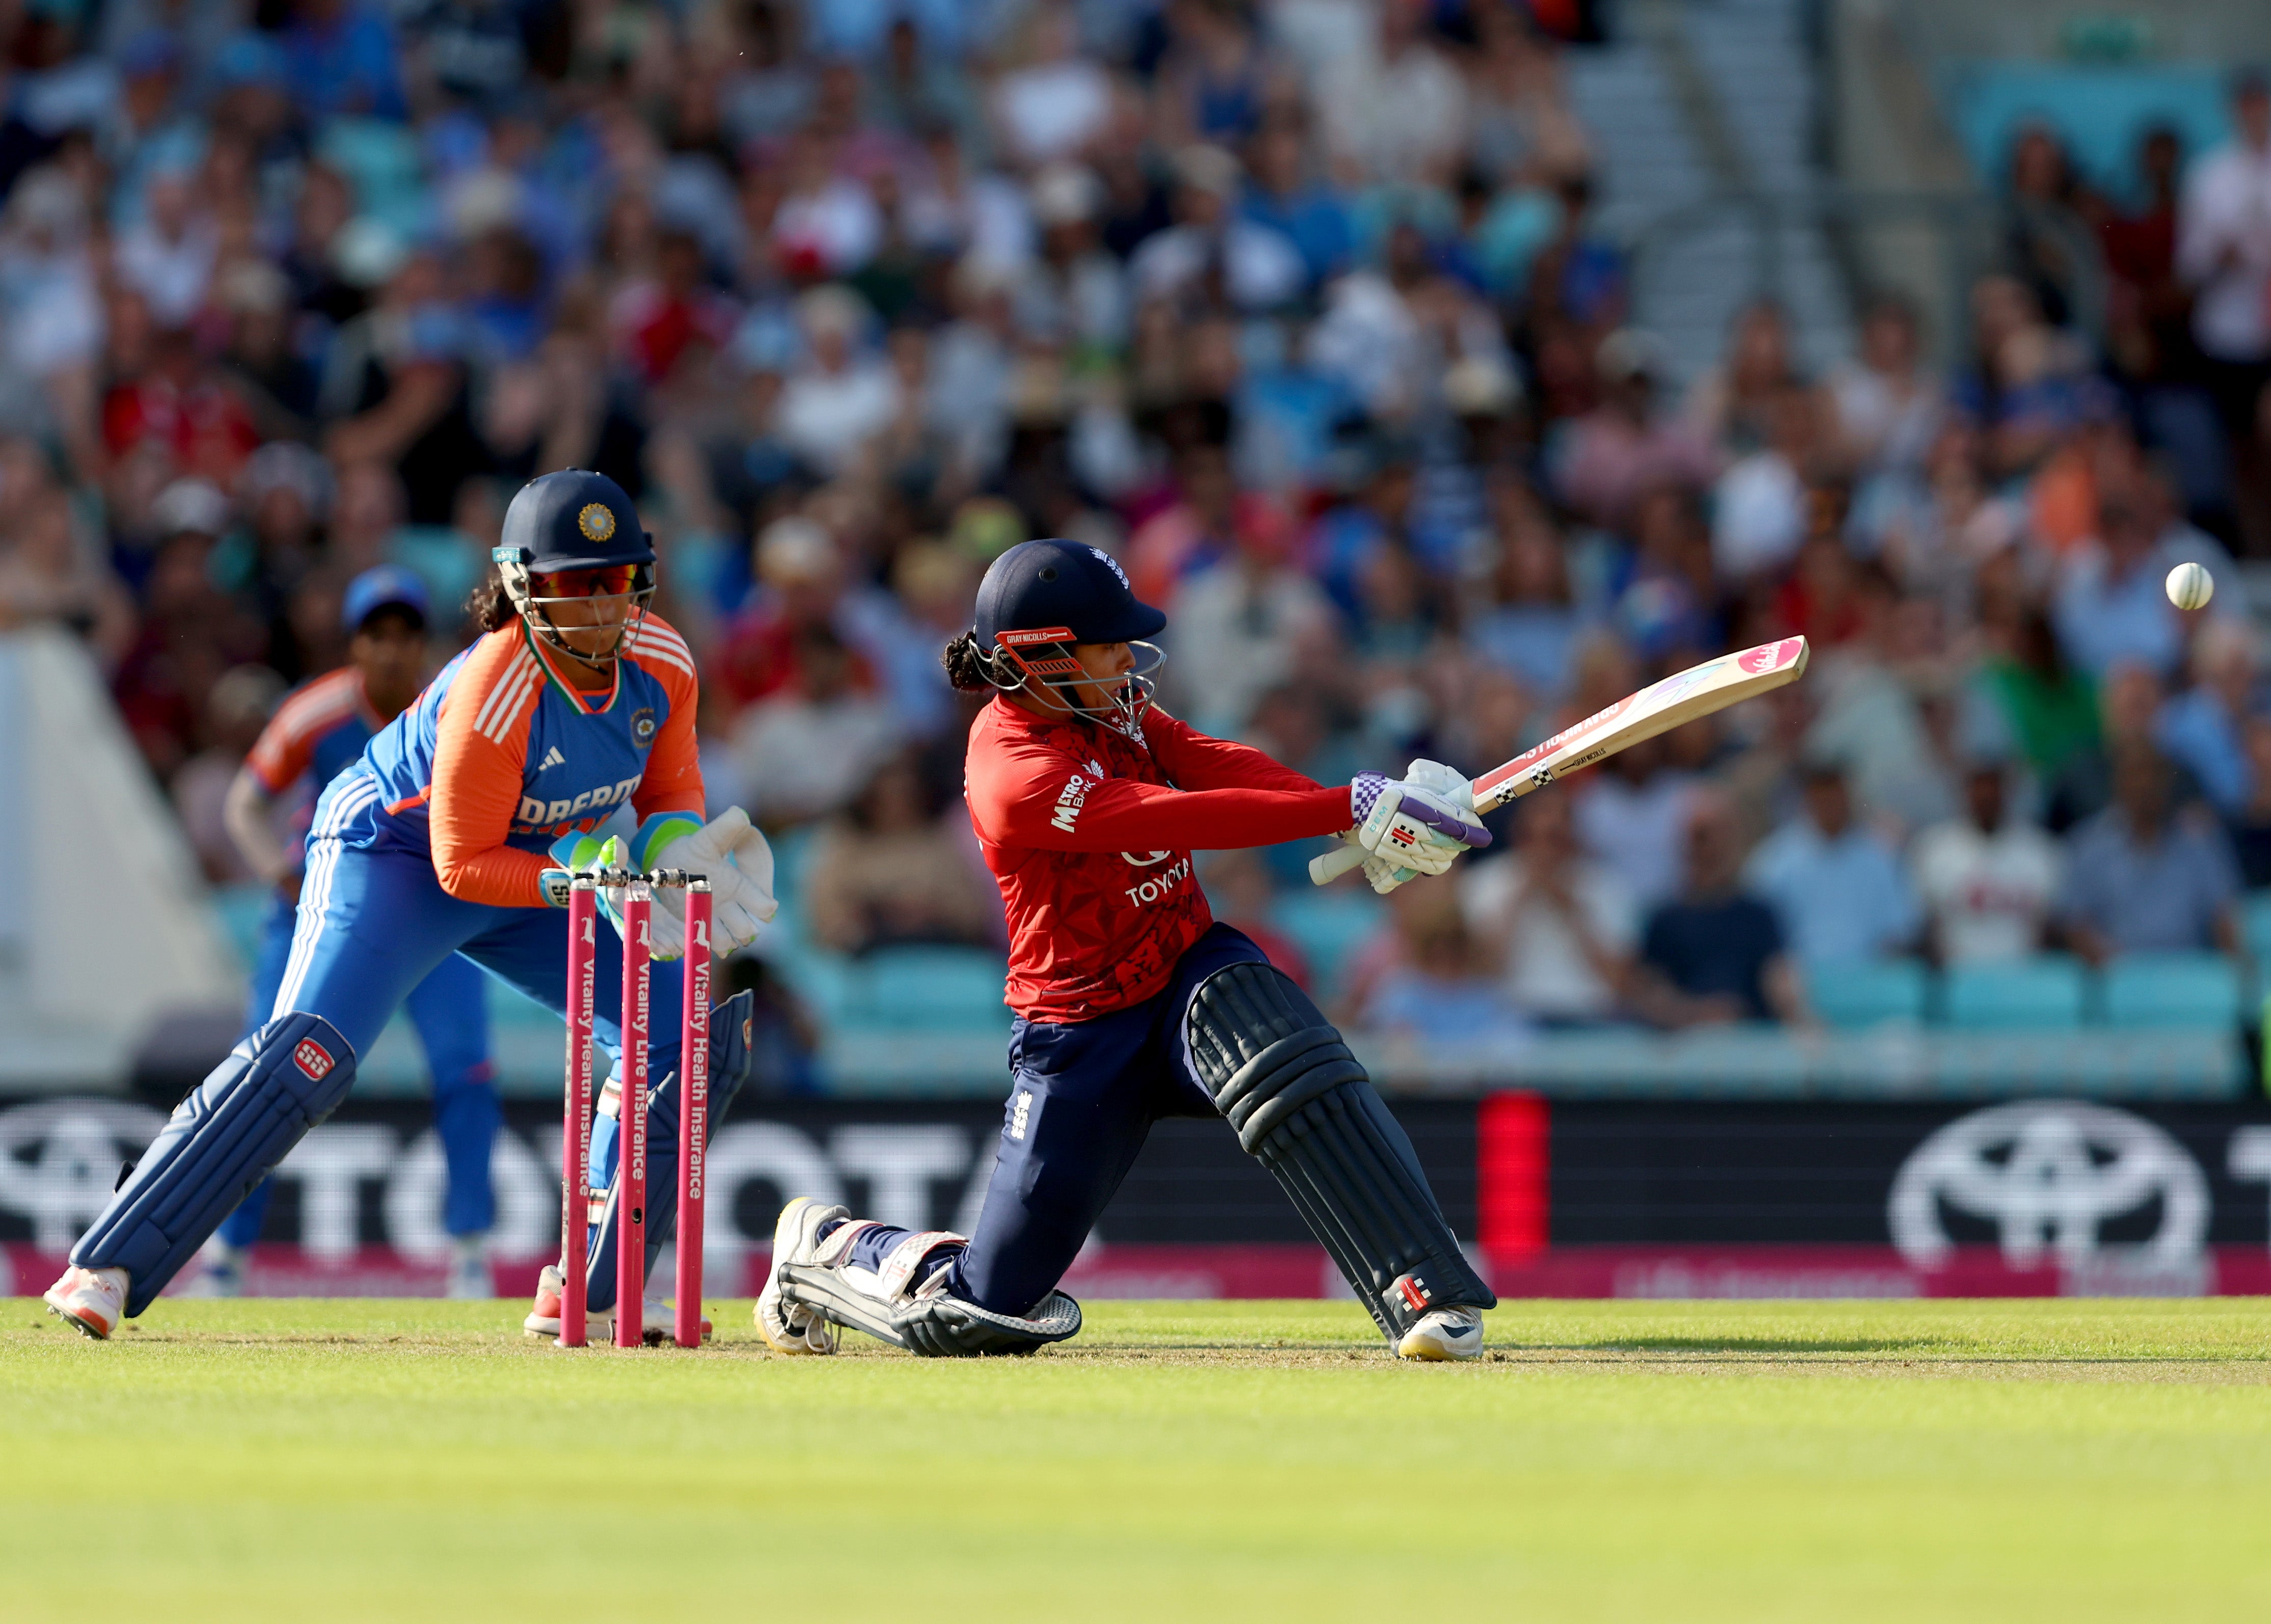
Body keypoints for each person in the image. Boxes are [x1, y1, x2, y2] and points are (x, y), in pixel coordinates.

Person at [44, 470, 774, 1340]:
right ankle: (108, 1261)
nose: (600, 607)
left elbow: (669, 796)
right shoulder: (496, 685)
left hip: (536, 863)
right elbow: (460, 862)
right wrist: (580, 871)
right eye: (575, 584)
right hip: (392, 854)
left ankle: (593, 1285)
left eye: (616, 580)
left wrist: (673, 853)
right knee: (307, 1052)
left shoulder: (664, 662)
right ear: (521, 587)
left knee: (673, 1033)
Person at [755, 537, 1499, 1361]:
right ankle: (827, 1249)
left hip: (1184, 968)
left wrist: (1361, 812)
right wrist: (1343, 807)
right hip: (1078, 1034)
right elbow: (1175, 815)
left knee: (1295, 1068)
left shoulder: (1111, 705)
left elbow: (1206, 761)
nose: (1127, 659)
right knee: (986, 1308)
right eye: (1108, 644)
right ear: (1040, 660)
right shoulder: (1013, 773)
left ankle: (1425, 1294)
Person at [205, 565, 502, 1298]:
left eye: (406, 634)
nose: (393, 650)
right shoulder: (317, 712)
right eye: (378, 634)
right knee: (265, 1072)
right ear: (355, 645)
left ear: (424, 643)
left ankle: (470, 1253)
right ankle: (226, 1257)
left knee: (466, 1069)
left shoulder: (457, 704)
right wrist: (279, 870)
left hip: (432, 913)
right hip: (320, 914)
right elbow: (246, 802)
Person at [1911, 753, 2063, 964]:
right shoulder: (1934, 850)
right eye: (1978, 788)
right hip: (1956, 975)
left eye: (1993, 787)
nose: (1986, 797)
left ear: (2007, 792)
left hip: (2023, 975)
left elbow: (2051, 927)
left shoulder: (2040, 851)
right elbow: (1923, 927)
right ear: (1964, 792)